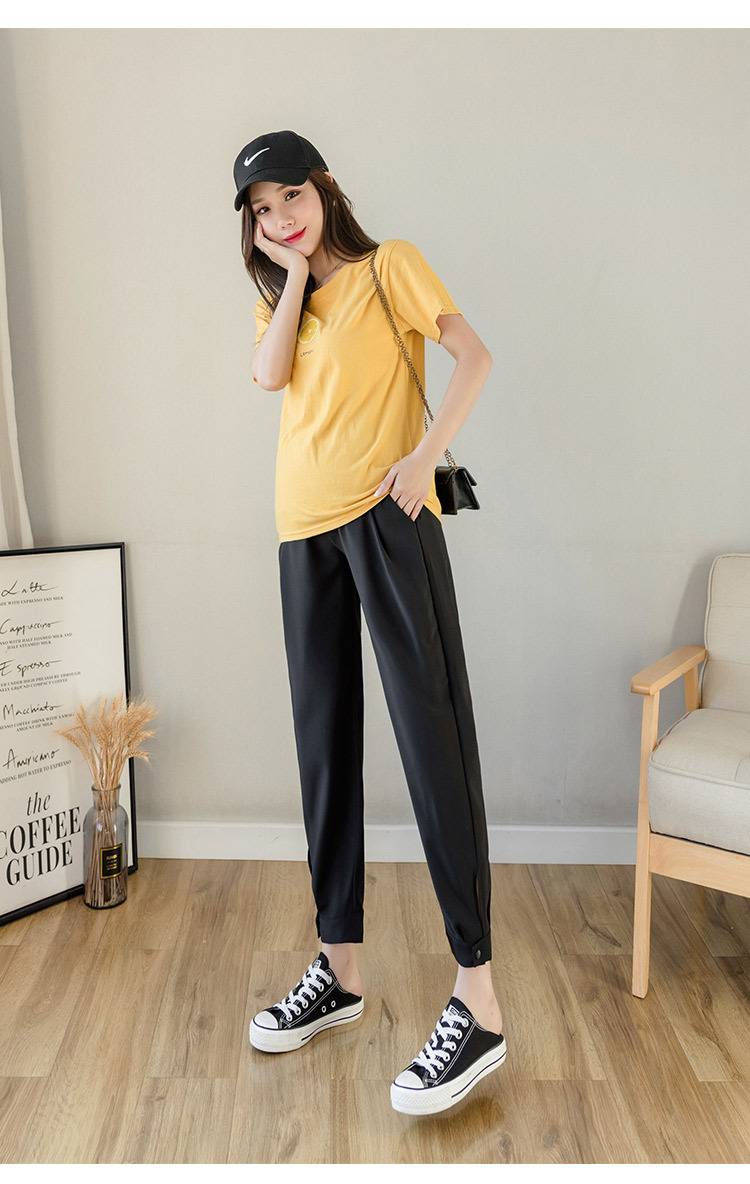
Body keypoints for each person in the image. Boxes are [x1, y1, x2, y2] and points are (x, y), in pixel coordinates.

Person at [234, 129, 507, 1116]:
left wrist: (426, 457)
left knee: (434, 741)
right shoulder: (282, 299)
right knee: (324, 748)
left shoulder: (392, 265)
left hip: (388, 520)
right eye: (261, 210)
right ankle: (340, 968)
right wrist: (292, 276)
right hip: (300, 532)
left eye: (292, 196)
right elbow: (269, 377)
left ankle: (479, 997)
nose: (280, 217)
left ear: (326, 187)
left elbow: (473, 356)